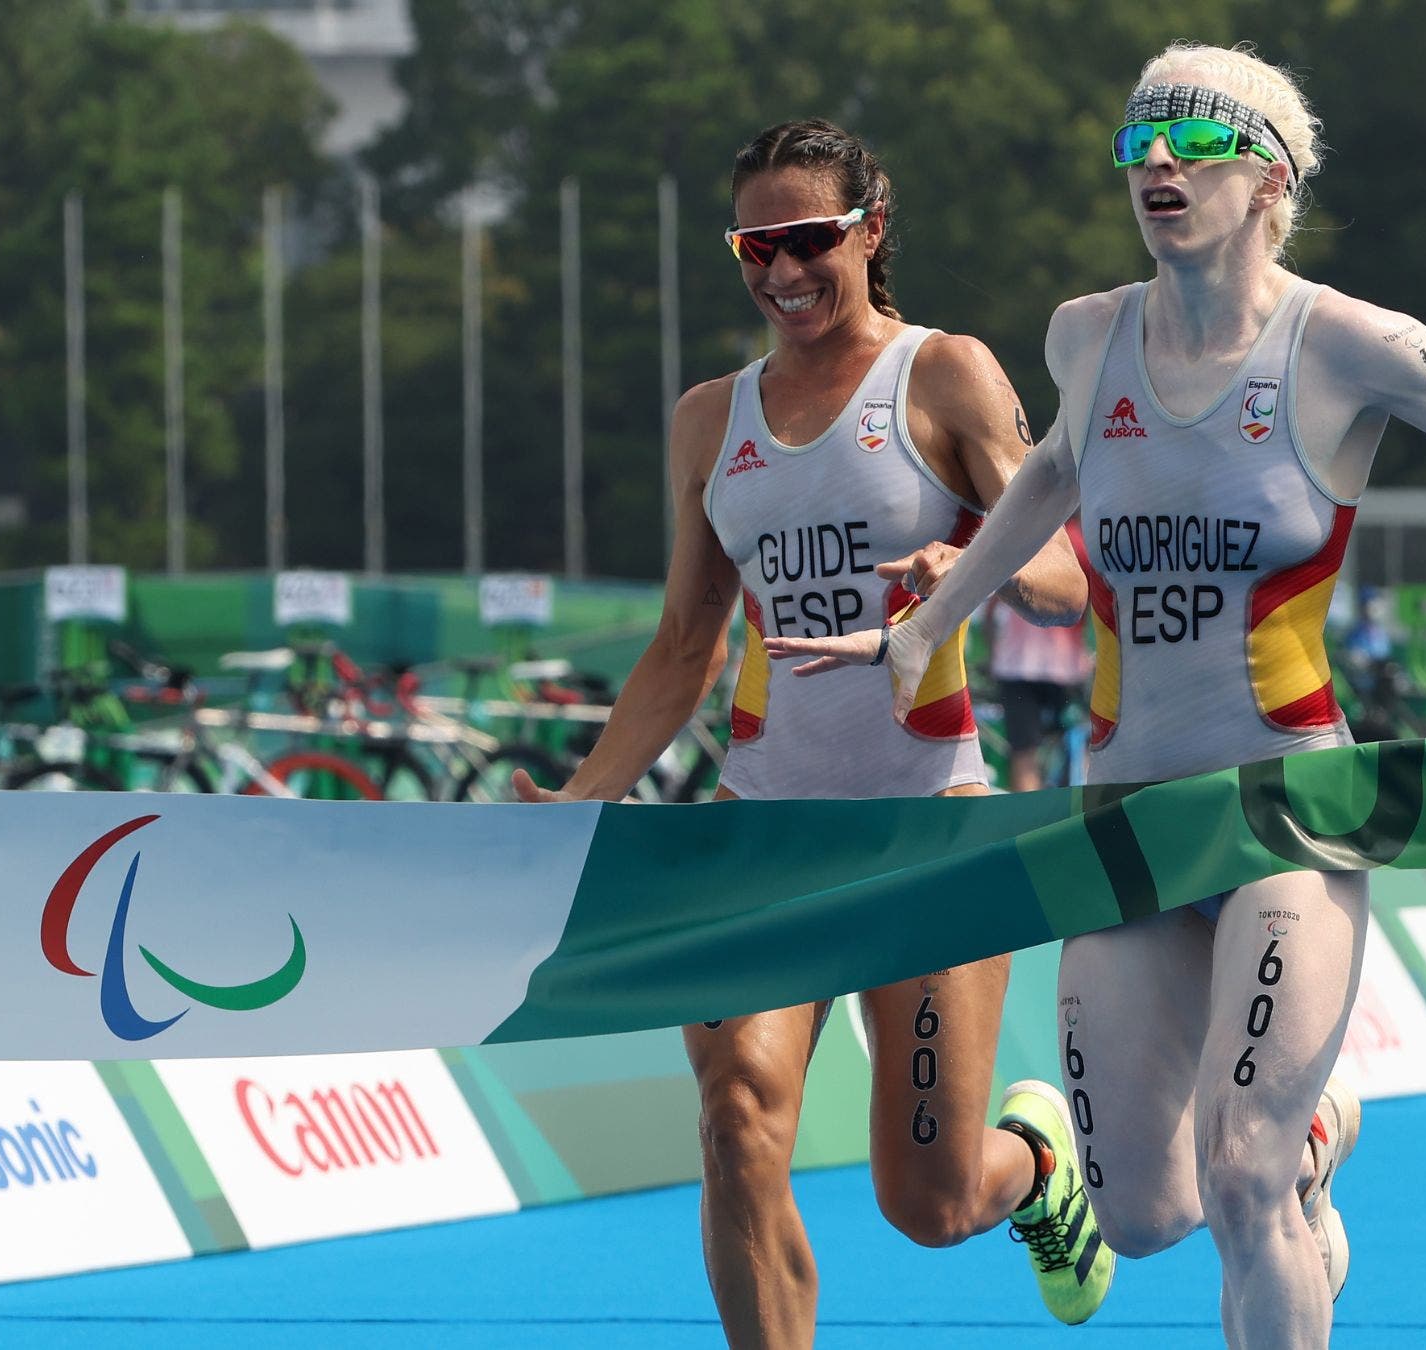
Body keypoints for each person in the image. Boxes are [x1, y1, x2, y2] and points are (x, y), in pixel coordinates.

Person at [764, 44, 1426, 1347]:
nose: (1159, 167)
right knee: (1141, 1214)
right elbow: (1052, 480)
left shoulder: (1348, 344)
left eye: (1193, 144)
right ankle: (1319, 1134)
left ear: (1272, 176)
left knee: (1240, 1172)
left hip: (1290, 807)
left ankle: (1285, 1150)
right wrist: (931, 624)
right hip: (1126, 816)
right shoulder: (1086, 335)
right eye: (1138, 146)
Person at [511, 119, 1107, 1345]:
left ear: (870, 231)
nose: (781, 270)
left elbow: (1071, 572)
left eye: (808, 240)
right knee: (737, 1122)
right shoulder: (708, 421)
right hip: (762, 840)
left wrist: (966, 563)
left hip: (925, 831)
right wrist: (579, 807)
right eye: (754, 245)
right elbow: (685, 647)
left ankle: (1038, 1169)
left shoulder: (942, 374)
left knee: (928, 1205)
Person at [987, 520, 1095, 790]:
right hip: (1065, 668)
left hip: (1016, 667)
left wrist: (992, 652)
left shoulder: (1018, 537)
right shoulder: (1080, 542)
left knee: (1024, 756)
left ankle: (1029, 829)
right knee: (1077, 742)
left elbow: (991, 609)